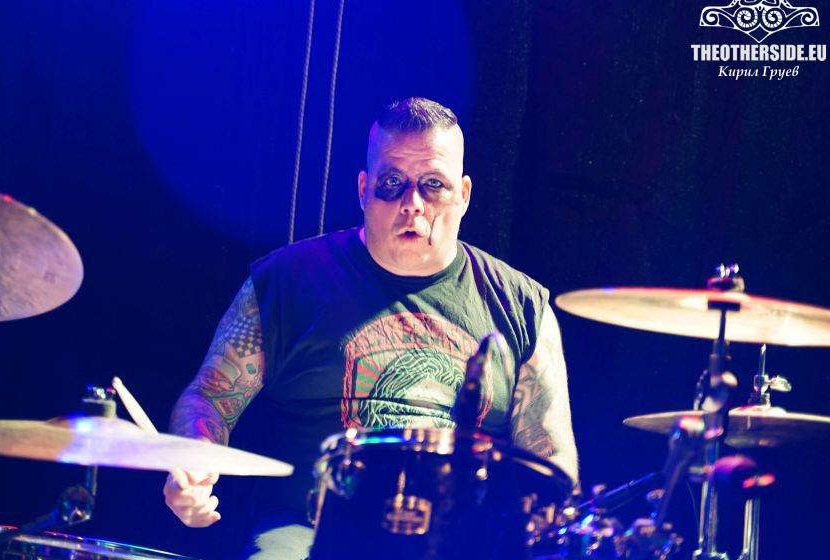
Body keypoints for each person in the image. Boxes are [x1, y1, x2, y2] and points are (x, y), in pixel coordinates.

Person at [163, 97, 578, 559]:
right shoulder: (286, 283)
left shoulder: (521, 306)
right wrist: (191, 463)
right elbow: (209, 397)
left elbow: (551, 461)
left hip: (456, 544)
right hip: (310, 533)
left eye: (433, 185)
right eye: (392, 183)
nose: (412, 204)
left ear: (464, 195)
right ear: (364, 189)